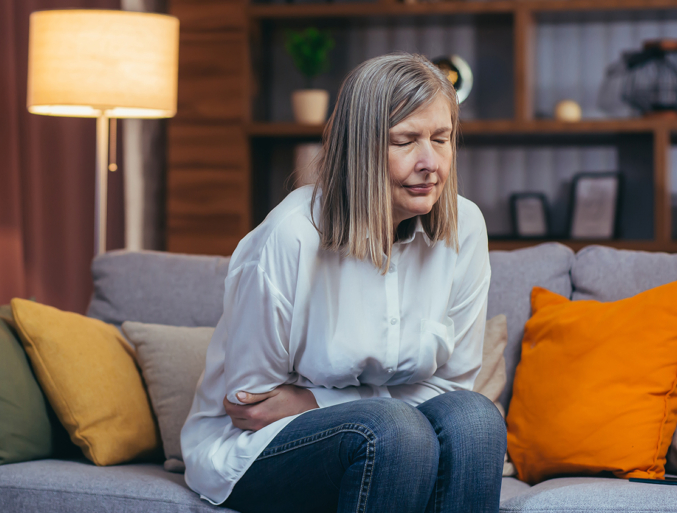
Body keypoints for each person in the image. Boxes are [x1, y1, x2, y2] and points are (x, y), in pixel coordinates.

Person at [180, 53, 505, 513]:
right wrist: (371, 409)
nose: (430, 162)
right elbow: (253, 405)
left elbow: (453, 389)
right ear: (361, 147)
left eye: (441, 139)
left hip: (389, 436)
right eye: (405, 141)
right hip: (252, 449)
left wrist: (310, 399)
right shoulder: (291, 234)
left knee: (476, 420)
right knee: (396, 431)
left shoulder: (464, 227)